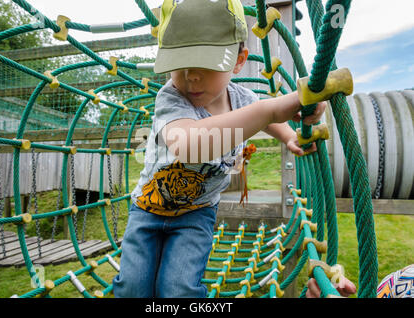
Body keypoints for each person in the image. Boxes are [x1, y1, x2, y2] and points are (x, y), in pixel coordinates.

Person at [112, 0, 326, 298]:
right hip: (148, 209)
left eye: (205, 63)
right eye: (179, 64)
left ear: (239, 60)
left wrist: (289, 135)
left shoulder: (243, 99)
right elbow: (190, 146)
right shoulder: (171, 98)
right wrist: (269, 110)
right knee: (133, 288)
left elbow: (268, 122)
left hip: (197, 214)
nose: (191, 76)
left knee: (179, 289)